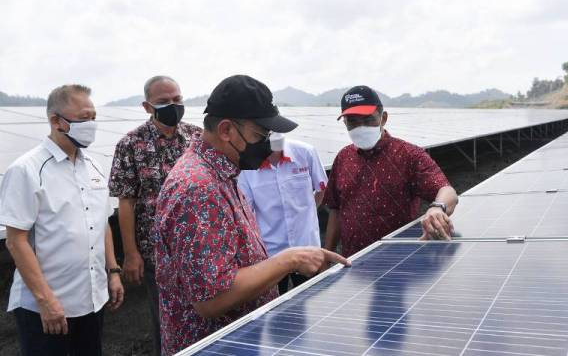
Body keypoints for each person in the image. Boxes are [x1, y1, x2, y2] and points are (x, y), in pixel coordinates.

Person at [153, 75, 350, 355]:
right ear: (226, 130)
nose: (267, 144)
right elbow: (212, 299)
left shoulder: (222, 172)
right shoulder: (198, 188)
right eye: (260, 135)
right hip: (215, 345)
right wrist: (288, 259)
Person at [0, 85, 124, 356]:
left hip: (92, 299)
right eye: (83, 118)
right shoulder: (27, 169)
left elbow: (101, 222)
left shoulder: (93, 165)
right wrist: (46, 302)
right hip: (46, 306)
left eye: (93, 117)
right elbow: (16, 241)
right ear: (56, 121)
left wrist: (113, 271)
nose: (91, 125)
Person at [108, 75, 202, 355]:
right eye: (164, 102)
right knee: (166, 321)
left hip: (200, 248)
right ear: (147, 107)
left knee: (206, 316)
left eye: (177, 100)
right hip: (157, 254)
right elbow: (126, 203)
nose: (173, 106)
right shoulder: (131, 144)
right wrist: (131, 253)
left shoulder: (197, 138)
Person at [323, 85, 459, 257]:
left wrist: (438, 208)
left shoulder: (409, 155)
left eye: (368, 119)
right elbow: (335, 209)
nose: (361, 127)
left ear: (383, 117)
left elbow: (447, 191)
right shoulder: (343, 157)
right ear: (345, 123)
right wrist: (326, 257)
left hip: (397, 260)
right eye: (353, 122)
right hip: (353, 262)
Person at [238, 133, 328, 294]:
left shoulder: (305, 153)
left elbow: (321, 189)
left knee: (313, 298)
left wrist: (308, 214)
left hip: (306, 246)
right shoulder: (248, 166)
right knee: (274, 304)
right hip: (271, 253)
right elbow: (246, 211)